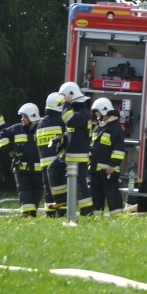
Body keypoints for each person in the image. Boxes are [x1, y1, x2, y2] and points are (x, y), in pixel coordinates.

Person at [50, 82, 93, 215]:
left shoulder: (84, 113)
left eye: (64, 98)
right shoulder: (75, 112)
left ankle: (87, 211)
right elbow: (72, 129)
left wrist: (67, 104)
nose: (63, 102)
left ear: (71, 96)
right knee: (53, 169)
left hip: (78, 155)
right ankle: (61, 200)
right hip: (68, 154)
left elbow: (69, 120)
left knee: (80, 184)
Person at [0, 103, 43, 217]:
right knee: (24, 189)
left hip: (38, 169)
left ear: (32, 116)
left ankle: (32, 213)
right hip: (21, 168)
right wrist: (9, 150)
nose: (22, 119)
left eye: (24, 116)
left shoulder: (41, 128)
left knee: (37, 190)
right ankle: (25, 214)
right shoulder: (16, 128)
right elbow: (2, 135)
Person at [89, 97, 126, 214]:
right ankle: (96, 215)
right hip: (95, 170)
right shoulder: (97, 127)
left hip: (109, 170)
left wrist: (112, 164)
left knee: (112, 193)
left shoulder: (115, 129)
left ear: (104, 110)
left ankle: (117, 216)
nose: (96, 114)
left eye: (97, 111)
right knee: (96, 194)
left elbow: (119, 149)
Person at [37, 92, 67, 217]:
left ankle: (49, 214)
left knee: (48, 189)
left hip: (44, 162)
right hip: (58, 161)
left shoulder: (40, 123)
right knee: (60, 189)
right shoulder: (61, 121)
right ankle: (61, 211)